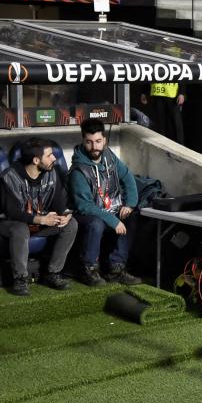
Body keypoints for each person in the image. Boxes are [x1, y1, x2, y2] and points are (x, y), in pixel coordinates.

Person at [0, 138, 77, 296]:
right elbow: (12, 213)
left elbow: (59, 203)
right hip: (6, 224)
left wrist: (65, 215)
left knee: (70, 224)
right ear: (36, 160)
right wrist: (41, 219)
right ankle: (20, 279)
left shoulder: (51, 173)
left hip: (35, 223)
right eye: (49, 155)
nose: (54, 158)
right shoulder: (10, 177)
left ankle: (53, 274)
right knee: (20, 229)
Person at [68, 119, 142, 286]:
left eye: (98, 141)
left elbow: (127, 177)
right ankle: (89, 269)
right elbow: (84, 206)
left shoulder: (108, 155)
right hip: (84, 214)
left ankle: (116, 268)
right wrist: (113, 220)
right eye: (89, 142)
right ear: (83, 140)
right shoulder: (78, 170)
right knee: (96, 223)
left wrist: (129, 204)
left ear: (105, 140)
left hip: (107, 210)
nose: (94, 147)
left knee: (131, 214)